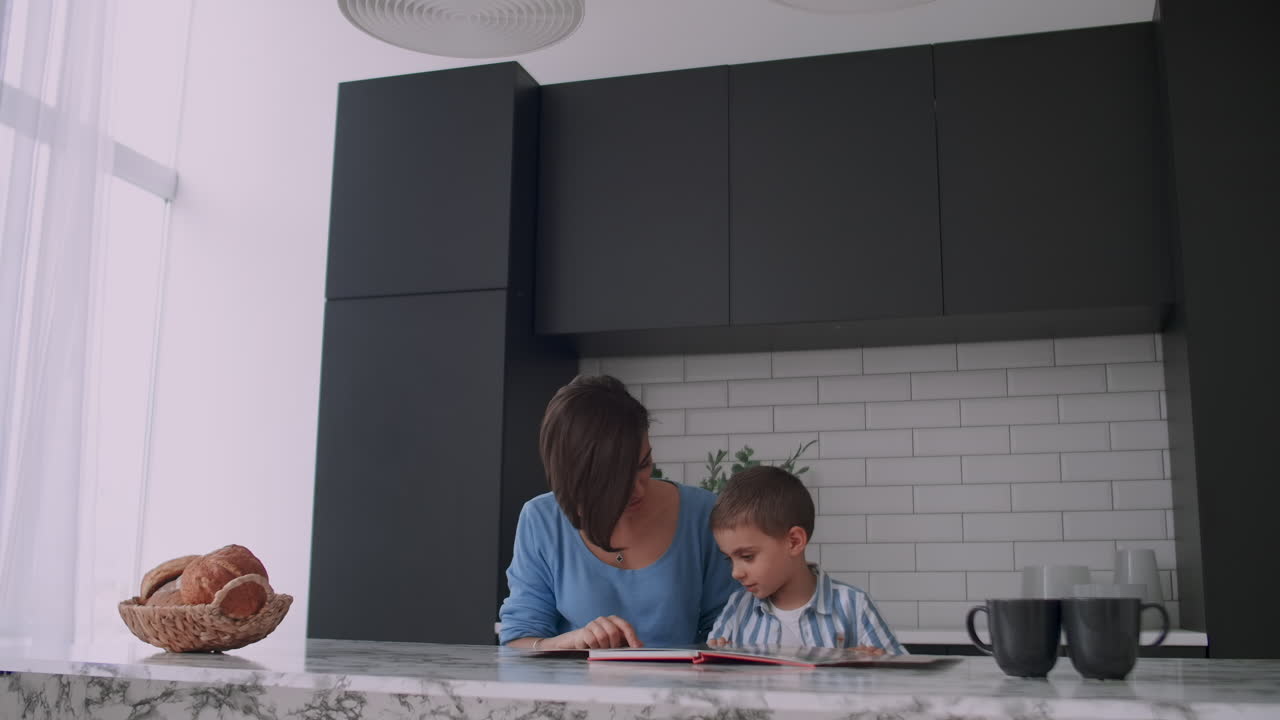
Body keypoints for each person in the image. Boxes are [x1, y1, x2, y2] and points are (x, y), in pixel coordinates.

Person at [499, 375, 736, 649]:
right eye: (617, 478)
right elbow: (518, 641)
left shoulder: (703, 513)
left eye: (643, 464)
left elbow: (729, 627)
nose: (637, 489)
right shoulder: (542, 519)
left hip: (685, 678)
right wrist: (574, 641)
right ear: (576, 474)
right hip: (573, 679)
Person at [708, 466, 905, 652]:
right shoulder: (738, 607)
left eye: (747, 556)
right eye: (729, 559)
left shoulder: (854, 605)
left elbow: (902, 671)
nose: (735, 573)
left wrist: (874, 665)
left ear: (794, 542)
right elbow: (709, 666)